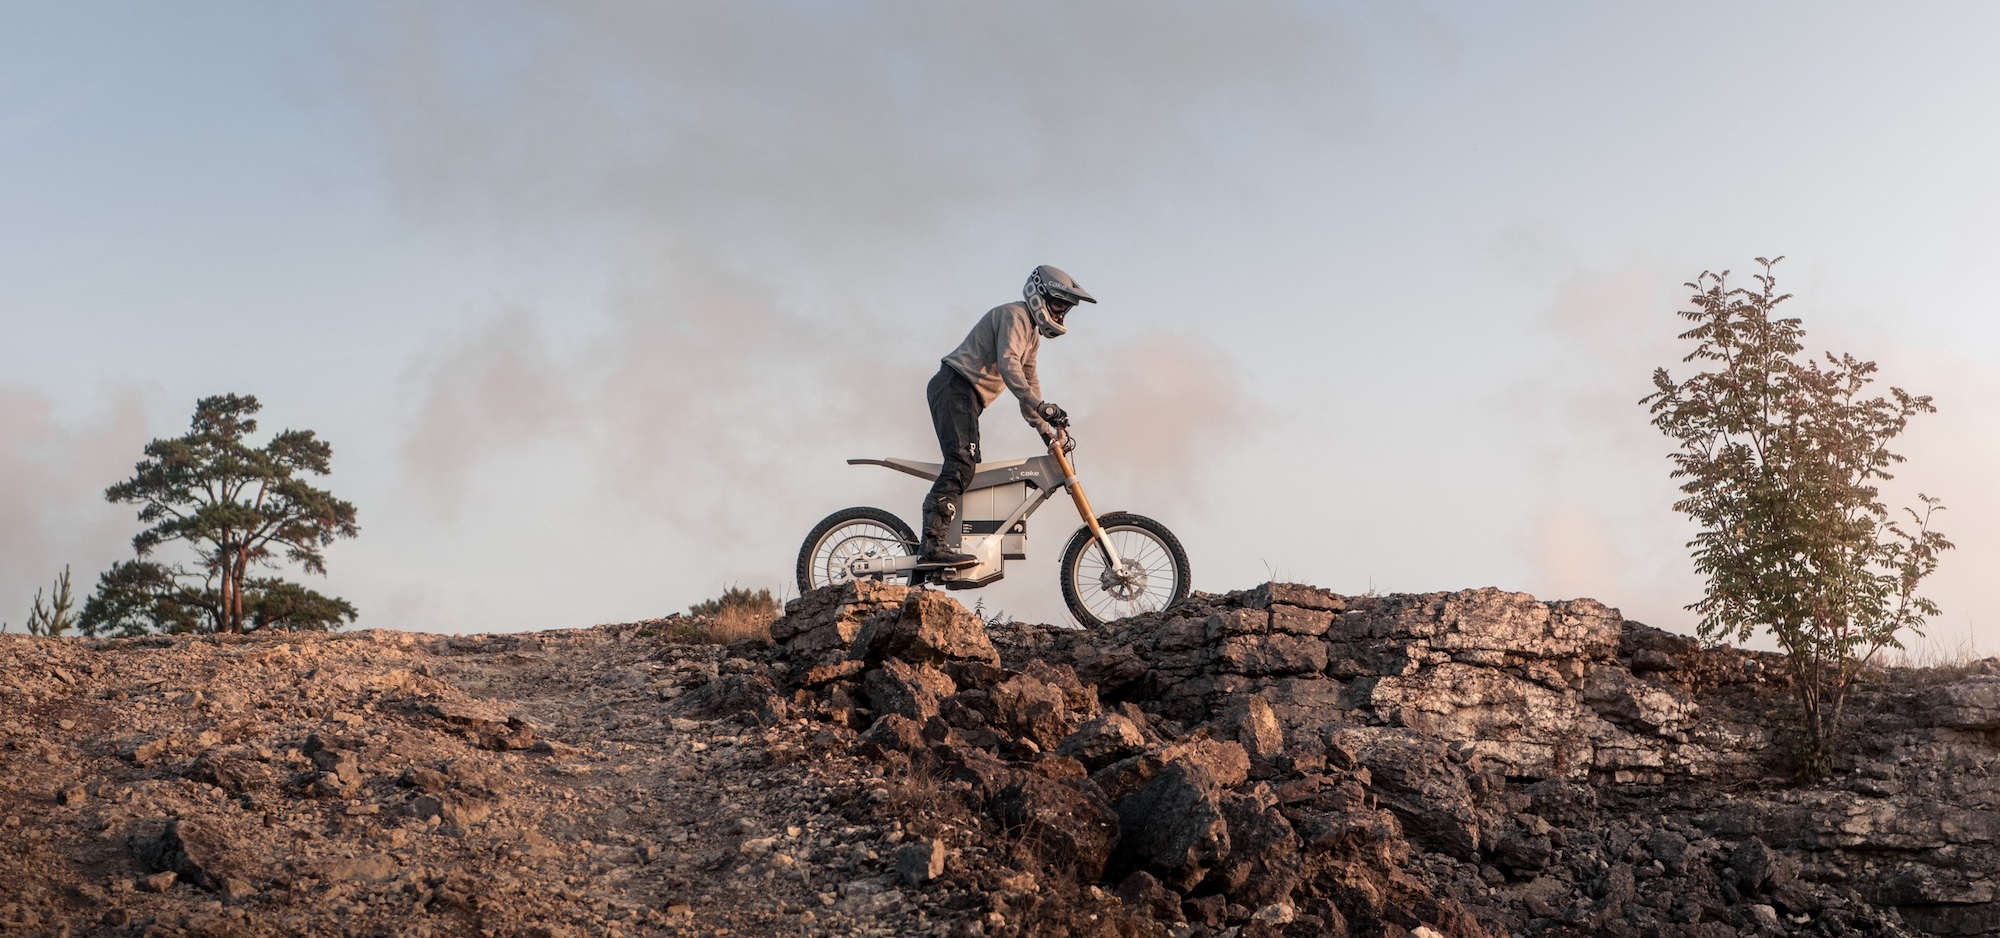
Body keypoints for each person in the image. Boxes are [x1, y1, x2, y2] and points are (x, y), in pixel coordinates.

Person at [917, 265, 1096, 568]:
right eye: (1058, 305)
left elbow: (1029, 383)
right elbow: (1010, 365)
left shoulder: (1032, 336)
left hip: (964, 394)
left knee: (967, 463)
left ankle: (939, 546)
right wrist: (1041, 407)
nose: (1062, 314)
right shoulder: (1015, 316)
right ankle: (932, 547)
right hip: (955, 386)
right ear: (1039, 295)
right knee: (961, 461)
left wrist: (1046, 430)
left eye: (1067, 309)